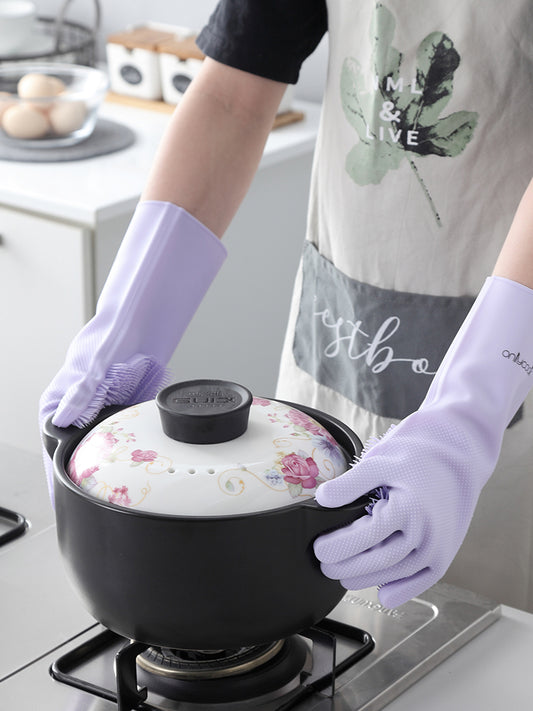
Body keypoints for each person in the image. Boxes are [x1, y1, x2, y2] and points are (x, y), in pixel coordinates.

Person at [40, 0, 533, 611]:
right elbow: (234, 95)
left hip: (511, 380)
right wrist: (126, 330)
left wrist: (465, 423)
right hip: (341, 331)